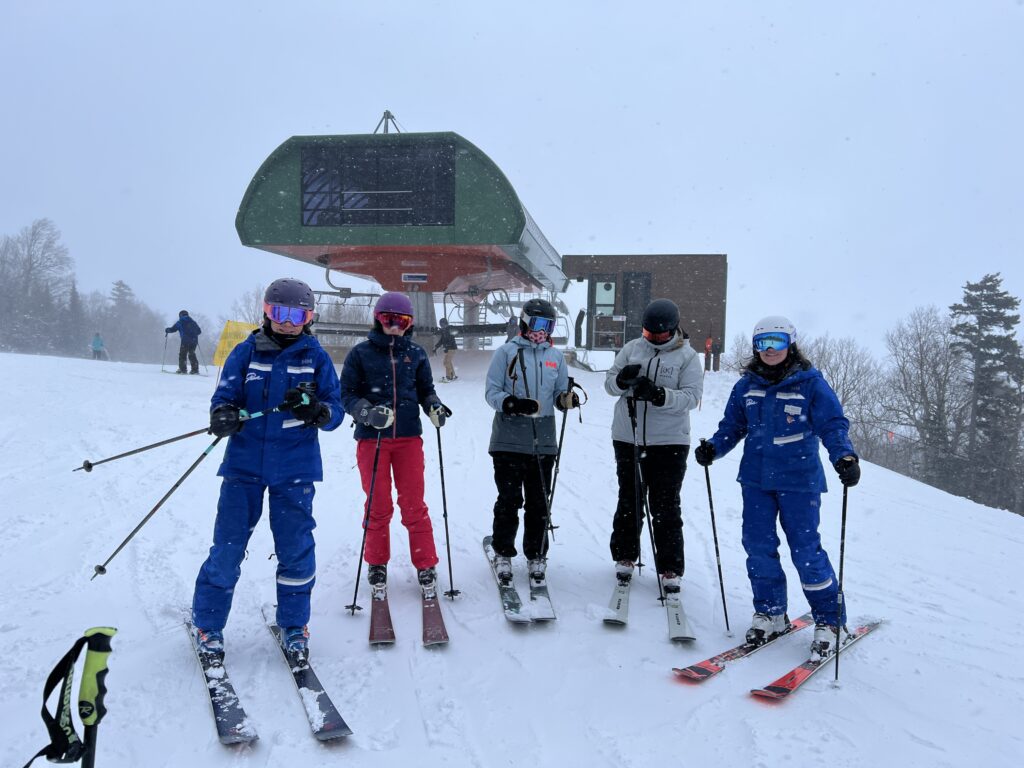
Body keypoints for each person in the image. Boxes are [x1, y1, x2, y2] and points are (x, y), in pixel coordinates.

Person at [191, 278, 343, 661]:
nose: (288, 322)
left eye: (297, 315)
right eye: (281, 313)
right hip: (243, 468)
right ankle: (208, 626)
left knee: (295, 550)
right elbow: (224, 395)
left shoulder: (316, 358)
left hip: (295, 470)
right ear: (267, 312)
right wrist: (223, 414)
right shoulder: (246, 352)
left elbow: (335, 411)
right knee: (227, 548)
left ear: (308, 318)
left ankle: (294, 624)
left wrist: (318, 411)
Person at [694, 315, 861, 661]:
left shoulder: (810, 383)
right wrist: (714, 447)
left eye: (777, 342)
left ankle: (830, 620)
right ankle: (771, 612)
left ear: (790, 344)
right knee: (758, 545)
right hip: (756, 481)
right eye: (763, 343)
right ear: (755, 347)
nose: (770, 350)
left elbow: (832, 424)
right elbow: (732, 426)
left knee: (805, 549)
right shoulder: (747, 386)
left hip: (799, 481)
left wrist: (844, 457)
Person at [339, 292, 452, 600]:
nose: (394, 327)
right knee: (377, 505)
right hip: (371, 440)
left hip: (408, 439)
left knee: (414, 504)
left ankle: (425, 564)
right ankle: (377, 562)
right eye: (388, 320)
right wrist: (367, 412)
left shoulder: (415, 354)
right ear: (378, 319)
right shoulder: (360, 354)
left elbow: (426, 390)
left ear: (409, 324)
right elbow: (346, 394)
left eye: (401, 321)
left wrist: (434, 407)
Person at [604, 299, 703, 597]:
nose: (653, 339)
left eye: (660, 335)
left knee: (665, 504)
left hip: (669, 442)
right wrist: (622, 381)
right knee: (629, 499)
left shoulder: (687, 357)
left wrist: (659, 395)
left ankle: (670, 566)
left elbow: (691, 397)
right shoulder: (633, 348)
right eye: (648, 333)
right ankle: (625, 555)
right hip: (628, 437)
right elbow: (609, 384)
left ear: (673, 330)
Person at [484, 298, 576, 587]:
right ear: (525, 323)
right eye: (537, 325)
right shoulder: (506, 352)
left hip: (543, 442)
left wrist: (565, 400)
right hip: (509, 440)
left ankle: (536, 554)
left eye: (549, 326)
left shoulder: (555, 357)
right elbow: (491, 392)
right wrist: (511, 404)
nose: (542, 332)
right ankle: (503, 553)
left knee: (539, 502)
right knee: (509, 501)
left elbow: (561, 391)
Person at [165, 310, 202, 374]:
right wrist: (192, 334)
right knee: (192, 354)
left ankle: (183, 370)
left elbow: (173, 329)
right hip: (194, 341)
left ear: (180, 315)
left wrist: (167, 330)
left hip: (185, 341)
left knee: (183, 355)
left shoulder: (180, 322)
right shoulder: (193, 322)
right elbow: (199, 331)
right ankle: (195, 370)